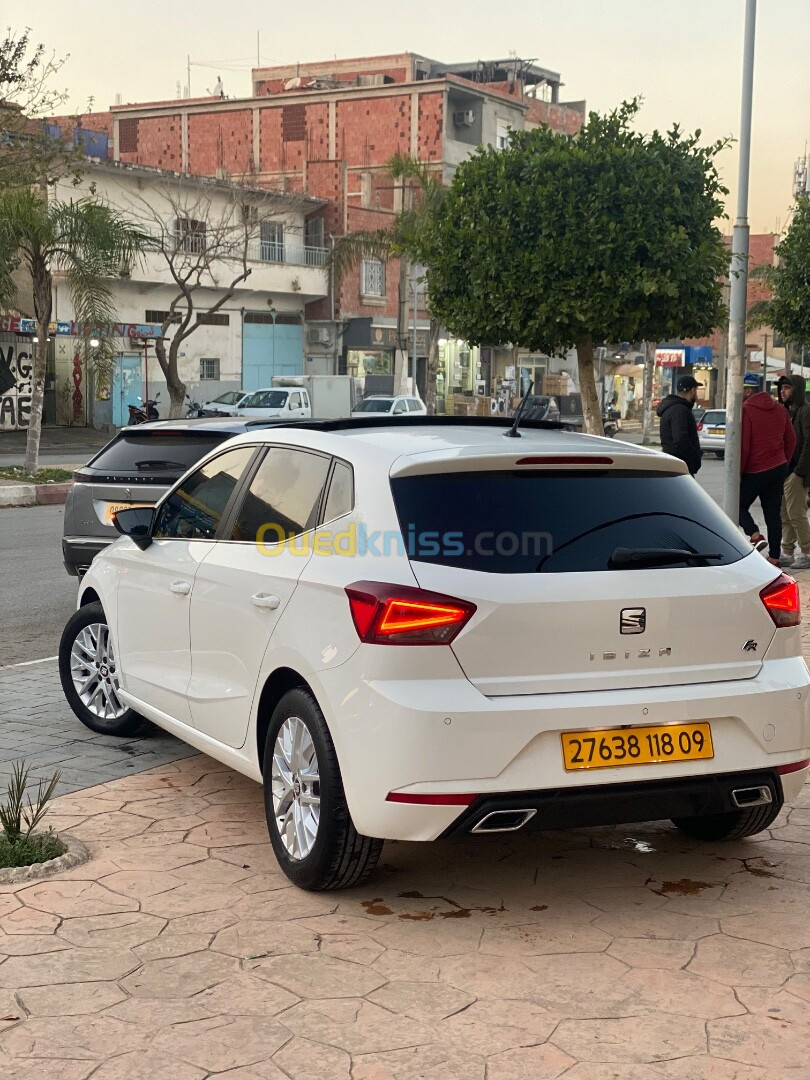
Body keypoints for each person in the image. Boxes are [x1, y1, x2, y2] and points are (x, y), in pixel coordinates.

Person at [739, 372, 796, 564]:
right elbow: (791, 439)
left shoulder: (746, 410)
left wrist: (739, 472)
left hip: (755, 469)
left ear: (747, 390)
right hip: (778, 467)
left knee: (736, 506)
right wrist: (784, 461)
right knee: (773, 514)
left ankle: (755, 535)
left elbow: (744, 446)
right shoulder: (780, 409)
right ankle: (774, 556)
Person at [777, 374, 810, 569]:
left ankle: (807, 552)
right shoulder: (788, 411)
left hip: (797, 471)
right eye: (782, 388)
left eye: (787, 388)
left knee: (796, 513)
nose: (783, 391)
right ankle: (787, 551)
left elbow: (808, 444)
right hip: (786, 470)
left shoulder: (805, 411)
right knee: (785, 513)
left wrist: (799, 471)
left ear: (796, 390)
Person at [656, 375, 702, 475]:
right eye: (696, 390)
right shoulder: (680, 411)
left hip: (674, 464)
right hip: (680, 467)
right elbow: (681, 439)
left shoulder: (672, 408)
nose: (696, 394)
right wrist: (693, 458)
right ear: (693, 390)